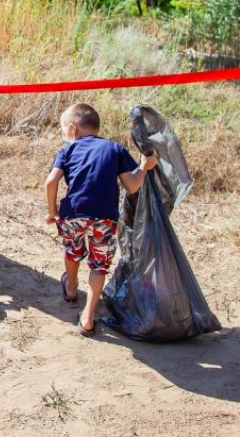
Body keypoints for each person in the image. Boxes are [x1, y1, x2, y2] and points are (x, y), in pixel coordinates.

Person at [44, 103, 157, 337]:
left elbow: (51, 182)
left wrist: (52, 210)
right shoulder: (115, 149)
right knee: (99, 264)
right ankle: (88, 316)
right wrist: (145, 166)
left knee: (73, 252)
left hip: (72, 214)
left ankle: (72, 287)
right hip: (105, 218)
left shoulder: (66, 151)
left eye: (64, 131)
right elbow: (132, 185)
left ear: (73, 129)